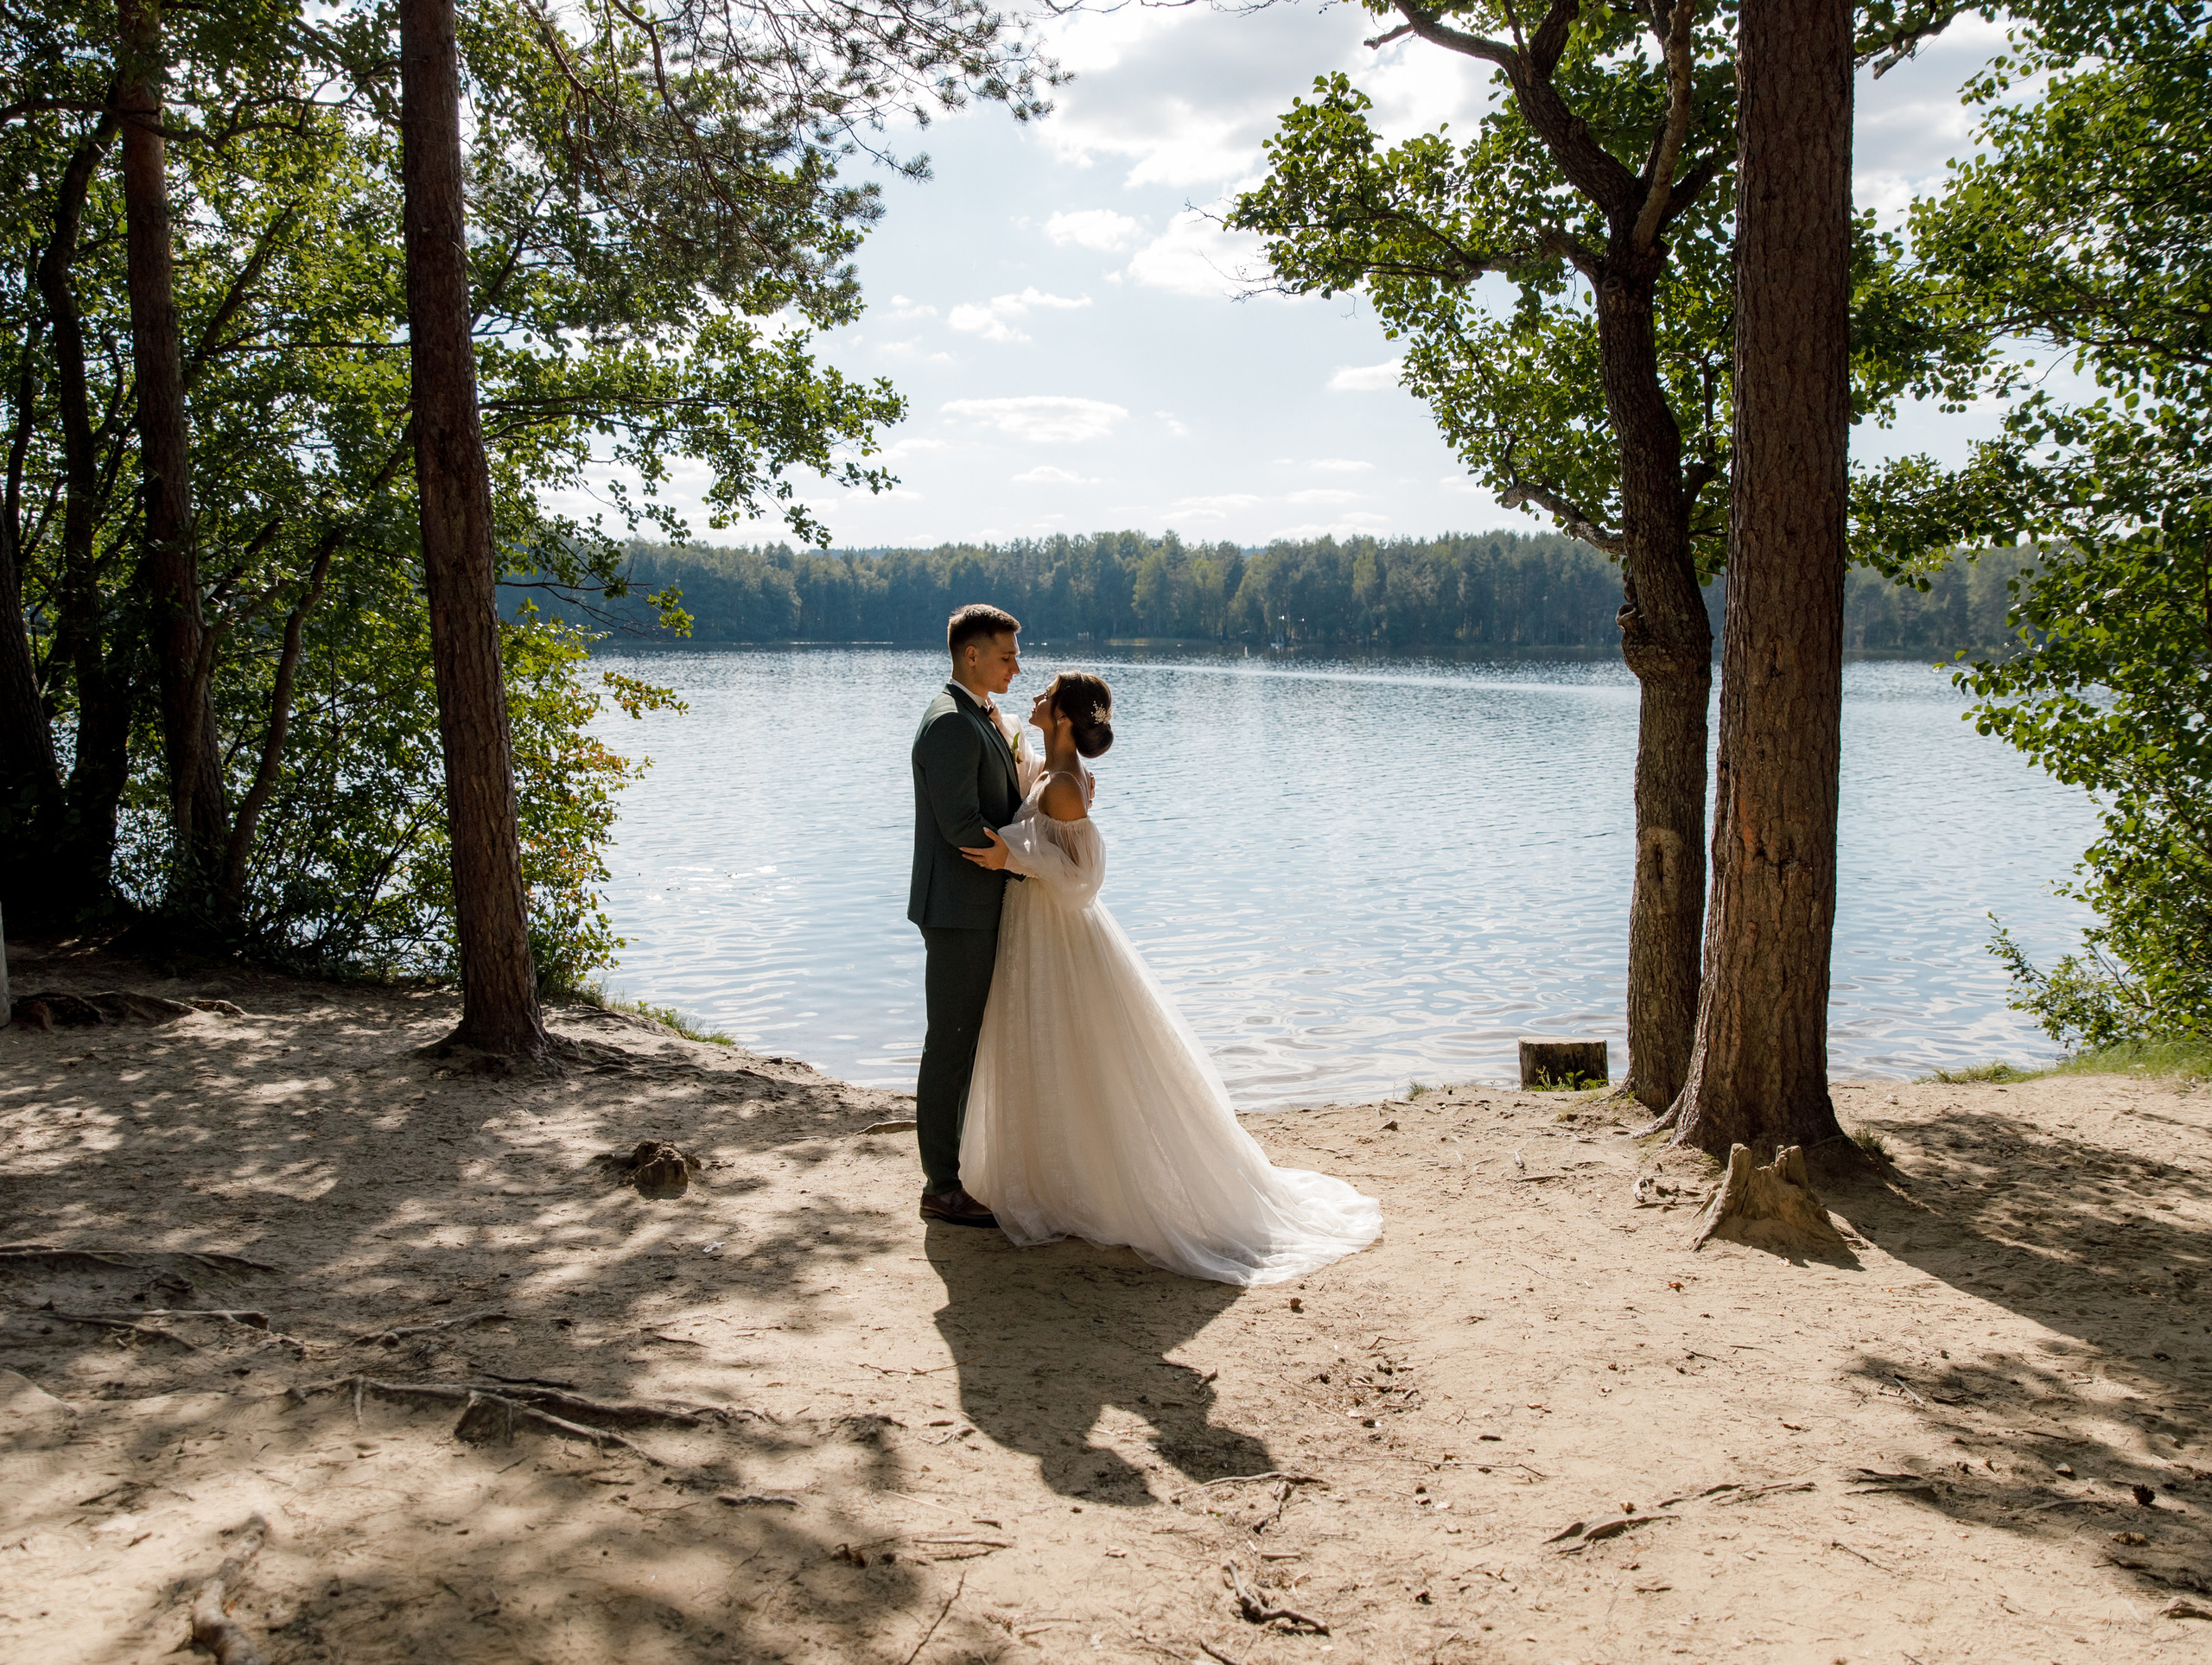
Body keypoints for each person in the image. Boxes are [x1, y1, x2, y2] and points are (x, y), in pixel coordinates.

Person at [956, 671, 1382, 1285]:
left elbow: (1081, 882)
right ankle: (1056, 1177)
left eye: (1046, 693)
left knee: (1085, 1052)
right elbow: (1038, 797)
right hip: (1035, 927)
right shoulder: (1056, 774)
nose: (1036, 696)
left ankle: (1095, 1187)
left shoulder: (1069, 785)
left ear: (1067, 718)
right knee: (1054, 1051)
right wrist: (1009, 740)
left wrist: (1011, 856)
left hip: (1059, 932)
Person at [907, 604, 1029, 1227]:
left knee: (965, 1042)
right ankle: (942, 1184)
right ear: (971, 655)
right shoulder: (951, 723)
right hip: (958, 909)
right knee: (950, 1046)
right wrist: (1036, 860)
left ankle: (955, 1170)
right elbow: (961, 827)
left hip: (973, 904)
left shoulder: (978, 714)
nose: (1016, 665)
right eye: (1006, 655)